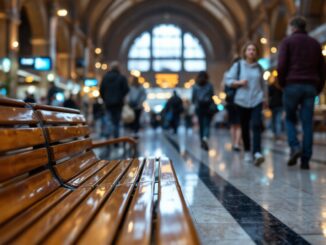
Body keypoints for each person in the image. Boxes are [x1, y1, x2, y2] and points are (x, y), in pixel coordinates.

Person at [277, 16, 325, 170]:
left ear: (292, 27)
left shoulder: (287, 41)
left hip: (292, 85)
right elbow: (323, 69)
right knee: (307, 123)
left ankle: (295, 146)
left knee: (290, 119)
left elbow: (282, 65)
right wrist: (318, 87)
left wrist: (283, 83)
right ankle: (305, 160)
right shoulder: (315, 44)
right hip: (310, 86)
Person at [225, 42, 267, 165]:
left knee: (256, 125)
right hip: (241, 101)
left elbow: (263, 85)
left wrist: (265, 99)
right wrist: (238, 83)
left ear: (256, 53)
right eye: (249, 49)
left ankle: (257, 152)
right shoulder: (238, 65)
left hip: (257, 100)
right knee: (244, 127)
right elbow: (228, 80)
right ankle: (248, 151)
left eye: (254, 49)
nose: (251, 51)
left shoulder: (260, 68)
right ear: (245, 52)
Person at [100, 61, 129, 139]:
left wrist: (105, 99)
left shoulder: (105, 77)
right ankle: (116, 140)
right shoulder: (122, 78)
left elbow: (101, 90)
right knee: (116, 122)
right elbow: (126, 89)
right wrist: (120, 96)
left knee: (108, 120)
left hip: (108, 104)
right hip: (118, 104)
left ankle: (108, 138)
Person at [192, 71, 215, 150]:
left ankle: (202, 140)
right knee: (207, 124)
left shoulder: (195, 86)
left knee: (201, 125)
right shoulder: (209, 85)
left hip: (199, 108)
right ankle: (205, 138)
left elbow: (193, 98)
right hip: (208, 108)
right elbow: (212, 95)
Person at [224, 58, 242, 151]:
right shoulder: (242, 74)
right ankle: (237, 143)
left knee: (232, 124)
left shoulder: (228, 74)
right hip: (240, 101)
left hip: (230, 102)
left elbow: (224, 88)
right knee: (238, 124)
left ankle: (234, 141)